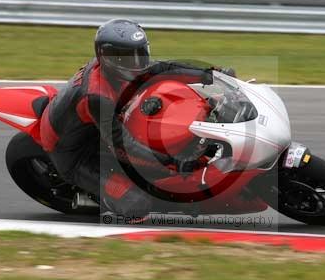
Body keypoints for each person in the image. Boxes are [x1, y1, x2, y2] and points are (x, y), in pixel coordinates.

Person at [39, 19, 229, 222]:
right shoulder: (97, 96)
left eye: (140, 53)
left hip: (96, 128)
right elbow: (123, 145)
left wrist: (211, 75)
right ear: (109, 57)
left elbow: (162, 69)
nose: (138, 61)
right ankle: (101, 199)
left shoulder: (116, 68)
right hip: (74, 154)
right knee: (138, 205)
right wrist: (172, 164)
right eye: (130, 57)